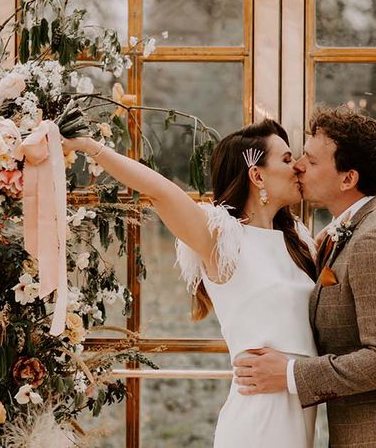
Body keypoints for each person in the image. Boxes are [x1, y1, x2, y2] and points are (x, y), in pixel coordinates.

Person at [63, 118, 319, 448]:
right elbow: (158, 190)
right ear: (257, 175)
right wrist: (88, 146)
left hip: (299, 415)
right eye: (286, 159)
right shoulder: (222, 238)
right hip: (259, 421)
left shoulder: (300, 242)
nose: (298, 166)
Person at [233, 106, 376, 448]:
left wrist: (289, 374)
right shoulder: (345, 233)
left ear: (348, 178)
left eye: (312, 160)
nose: (299, 166)